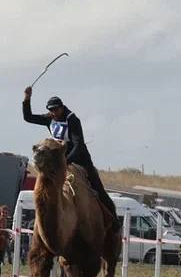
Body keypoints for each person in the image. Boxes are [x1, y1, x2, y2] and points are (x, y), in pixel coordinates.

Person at [22, 87, 118, 222]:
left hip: (79, 158)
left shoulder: (72, 120)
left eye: (56, 110)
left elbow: (78, 144)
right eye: (51, 111)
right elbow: (28, 117)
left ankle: (114, 220)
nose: (53, 113)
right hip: (59, 159)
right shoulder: (50, 118)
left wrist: (66, 161)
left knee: (98, 188)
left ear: (61, 108)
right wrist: (27, 98)